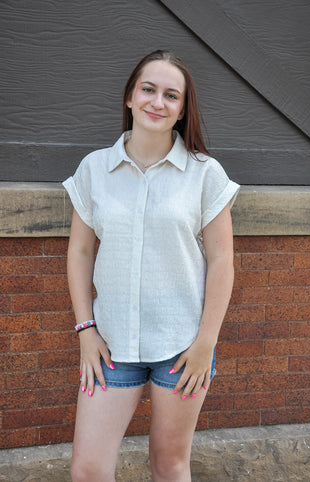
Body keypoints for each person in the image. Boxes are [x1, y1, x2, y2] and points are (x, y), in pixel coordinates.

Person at [63, 49, 240, 482]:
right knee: (86, 468)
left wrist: (206, 344)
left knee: (169, 464)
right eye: (148, 89)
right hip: (110, 346)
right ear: (130, 97)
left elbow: (222, 260)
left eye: (170, 95)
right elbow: (80, 253)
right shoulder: (95, 169)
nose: (157, 102)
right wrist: (85, 331)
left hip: (183, 347)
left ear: (182, 110)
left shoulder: (204, 174)